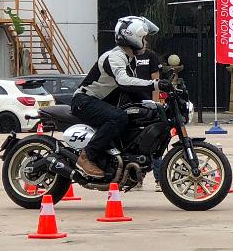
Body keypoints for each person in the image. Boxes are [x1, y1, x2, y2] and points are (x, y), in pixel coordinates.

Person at [71, 16, 171, 178]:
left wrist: (156, 106)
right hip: (84, 101)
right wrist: (155, 84)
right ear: (133, 38)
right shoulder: (115, 56)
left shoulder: (130, 59)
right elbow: (124, 82)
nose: (145, 42)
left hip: (98, 103)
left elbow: (133, 90)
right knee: (119, 117)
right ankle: (86, 156)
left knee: (134, 117)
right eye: (143, 38)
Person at [134, 40, 165, 191]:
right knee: (135, 143)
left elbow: (155, 80)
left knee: (153, 143)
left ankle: (159, 180)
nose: (143, 42)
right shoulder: (126, 57)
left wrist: (155, 102)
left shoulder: (150, 56)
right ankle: (136, 179)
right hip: (132, 104)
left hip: (147, 104)